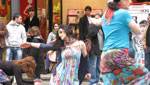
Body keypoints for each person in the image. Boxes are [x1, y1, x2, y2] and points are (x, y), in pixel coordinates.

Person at [20, 25, 91, 85]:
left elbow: (86, 58)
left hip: (73, 76)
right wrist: (30, 44)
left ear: (67, 31)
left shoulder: (80, 44)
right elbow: (46, 46)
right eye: (58, 33)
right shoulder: (61, 45)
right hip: (60, 74)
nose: (59, 35)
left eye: (61, 32)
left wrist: (88, 71)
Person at [100, 0, 150, 84]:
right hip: (117, 55)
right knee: (145, 75)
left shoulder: (106, 14)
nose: (130, 1)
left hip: (105, 56)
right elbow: (137, 30)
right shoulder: (124, 13)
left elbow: (99, 23)